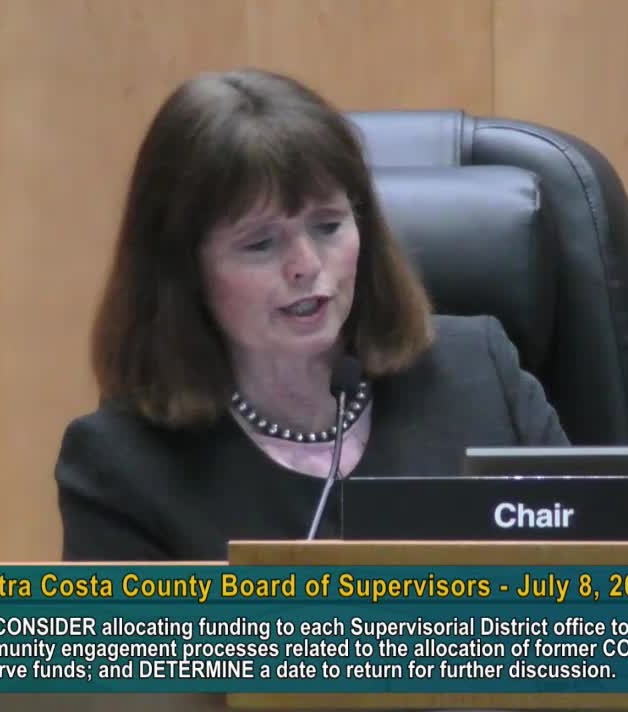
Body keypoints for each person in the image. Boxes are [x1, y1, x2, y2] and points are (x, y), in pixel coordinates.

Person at [54, 69, 568, 561]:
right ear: (182, 269)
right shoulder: (121, 467)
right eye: (260, 243)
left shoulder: (480, 376)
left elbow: (594, 576)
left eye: (328, 226)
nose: (305, 265)